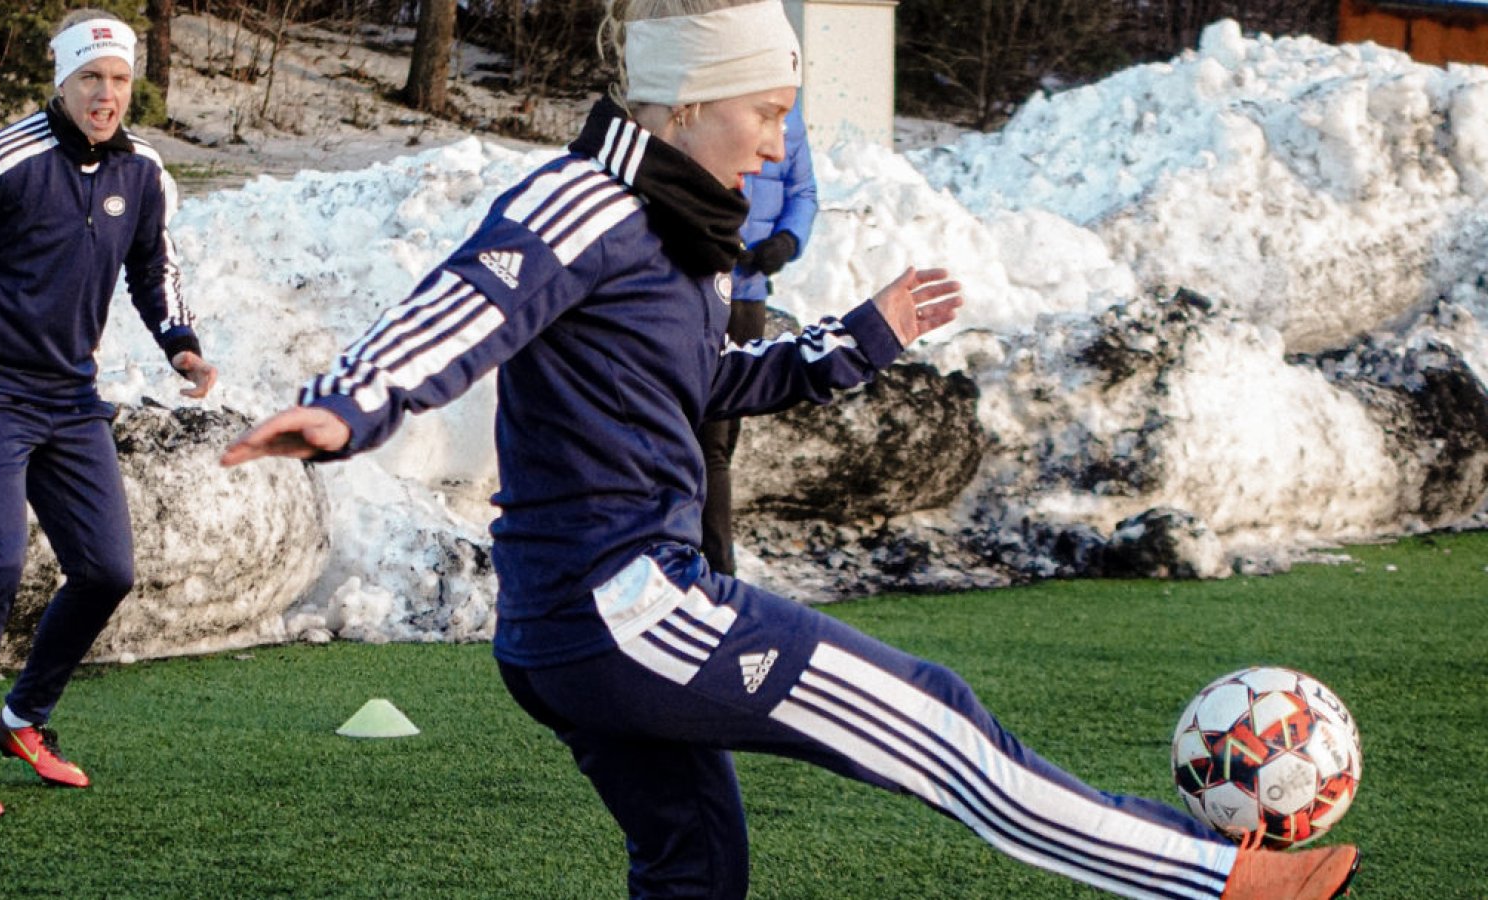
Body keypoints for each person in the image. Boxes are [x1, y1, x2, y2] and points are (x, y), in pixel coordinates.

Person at [221, 1, 1357, 897]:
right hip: (620, 607)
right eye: (764, 114)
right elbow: (475, 299)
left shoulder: (684, 233)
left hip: (575, 625)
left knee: (695, 869)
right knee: (939, 723)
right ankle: (1221, 877)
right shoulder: (583, 201)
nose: (776, 148)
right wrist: (348, 404)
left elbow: (707, 381)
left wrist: (863, 336)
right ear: (684, 105)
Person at [0, 9, 218, 820]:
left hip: (70, 399)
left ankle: (24, 719)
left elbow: (154, 267)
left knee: (108, 570)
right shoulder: (3, 159)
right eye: (90, 80)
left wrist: (181, 342)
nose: (106, 96)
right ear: (61, 80)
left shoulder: (141, 171)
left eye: (118, 81)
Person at [698, 98, 816, 575]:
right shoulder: (718, 101)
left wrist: (787, 241)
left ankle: (709, 566)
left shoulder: (792, 112)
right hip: (701, 286)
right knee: (709, 439)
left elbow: (803, 191)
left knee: (723, 441)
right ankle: (716, 571)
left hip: (749, 296)